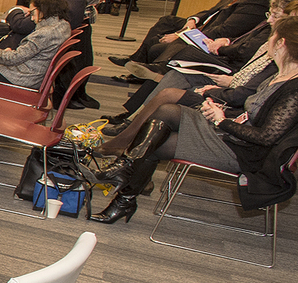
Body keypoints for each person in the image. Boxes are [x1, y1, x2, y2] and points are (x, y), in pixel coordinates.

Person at [93, 16, 298, 224]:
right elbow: (253, 113)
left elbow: (265, 137)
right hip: (234, 132)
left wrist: (221, 121)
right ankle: (125, 179)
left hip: (244, 152)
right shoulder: (281, 75)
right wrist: (221, 111)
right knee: (163, 118)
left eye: (273, 36)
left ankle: (124, 185)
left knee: (157, 138)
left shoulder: (293, 89)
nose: (269, 40)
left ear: (281, 43)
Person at [113, 0, 275, 68]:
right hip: (204, 25)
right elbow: (212, 11)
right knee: (167, 21)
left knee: (157, 45)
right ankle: (136, 61)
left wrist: (182, 35)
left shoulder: (259, 0)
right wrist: (193, 19)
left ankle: (149, 69)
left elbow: (225, 30)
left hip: (212, 36)